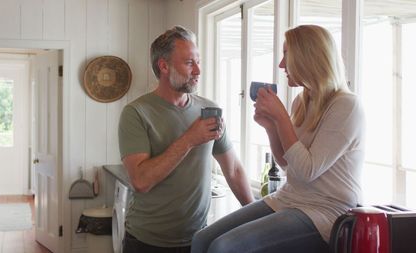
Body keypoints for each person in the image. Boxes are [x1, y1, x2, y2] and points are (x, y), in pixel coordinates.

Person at [191, 25, 365, 253]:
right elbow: (286, 165)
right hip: (289, 197)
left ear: (307, 58)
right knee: (202, 239)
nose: (281, 65)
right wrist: (271, 127)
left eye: (286, 55)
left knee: (223, 247)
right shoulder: (302, 102)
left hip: (325, 210)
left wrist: (281, 117)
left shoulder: (346, 106)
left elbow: (307, 170)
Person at [118, 25, 254, 253]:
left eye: (198, 61)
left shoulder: (209, 109)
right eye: (190, 63)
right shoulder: (136, 113)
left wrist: (255, 215)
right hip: (147, 242)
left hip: (198, 239)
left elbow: (233, 170)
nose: (198, 70)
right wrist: (189, 139)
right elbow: (141, 181)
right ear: (164, 66)